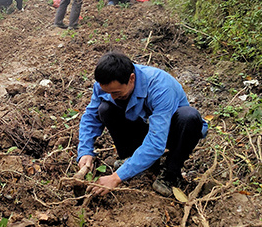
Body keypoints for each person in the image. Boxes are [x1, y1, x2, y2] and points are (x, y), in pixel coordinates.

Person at [76, 52, 207, 198]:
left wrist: (115, 178)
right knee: (105, 109)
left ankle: (171, 174)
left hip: (171, 131)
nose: (112, 96)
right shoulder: (105, 85)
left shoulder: (161, 87)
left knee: (189, 117)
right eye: (108, 92)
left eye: (116, 92)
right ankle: (134, 161)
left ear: (131, 78)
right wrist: (85, 151)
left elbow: (157, 141)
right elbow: (90, 117)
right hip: (143, 124)